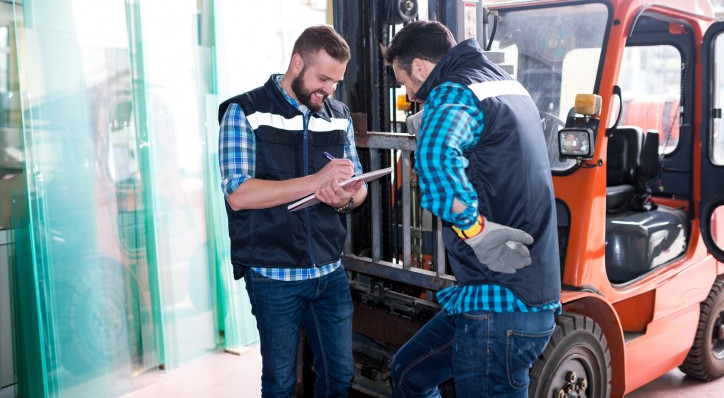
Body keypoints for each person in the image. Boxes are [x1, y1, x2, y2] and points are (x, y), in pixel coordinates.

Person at [382, 20, 561, 397]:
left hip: (499, 305)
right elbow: (488, 144)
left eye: (405, 83)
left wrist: (475, 231)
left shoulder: (453, 91)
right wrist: (427, 121)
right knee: (408, 374)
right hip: (522, 294)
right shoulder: (502, 83)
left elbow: (437, 159)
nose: (411, 94)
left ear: (419, 67)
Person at [217, 25, 367, 397]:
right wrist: (317, 181)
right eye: (323, 78)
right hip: (273, 275)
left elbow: (358, 187)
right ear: (297, 63)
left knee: (340, 376)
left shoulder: (338, 115)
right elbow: (239, 193)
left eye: (336, 81)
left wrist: (344, 198)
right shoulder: (244, 111)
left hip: (329, 273)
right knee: (281, 382)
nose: (329, 89)